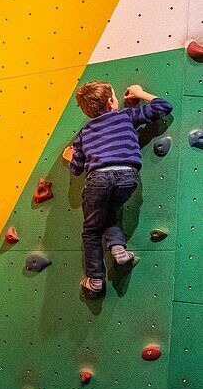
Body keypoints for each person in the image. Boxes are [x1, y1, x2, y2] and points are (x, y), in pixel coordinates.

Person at [69, 81, 172, 295]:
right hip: (128, 176)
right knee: (109, 215)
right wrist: (140, 93)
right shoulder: (125, 116)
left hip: (98, 180)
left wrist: (71, 156)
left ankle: (95, 280)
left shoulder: (83, 133)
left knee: (91, 231)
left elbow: (77, 169)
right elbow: (164, 106)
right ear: (110, 103)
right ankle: (119, 250)